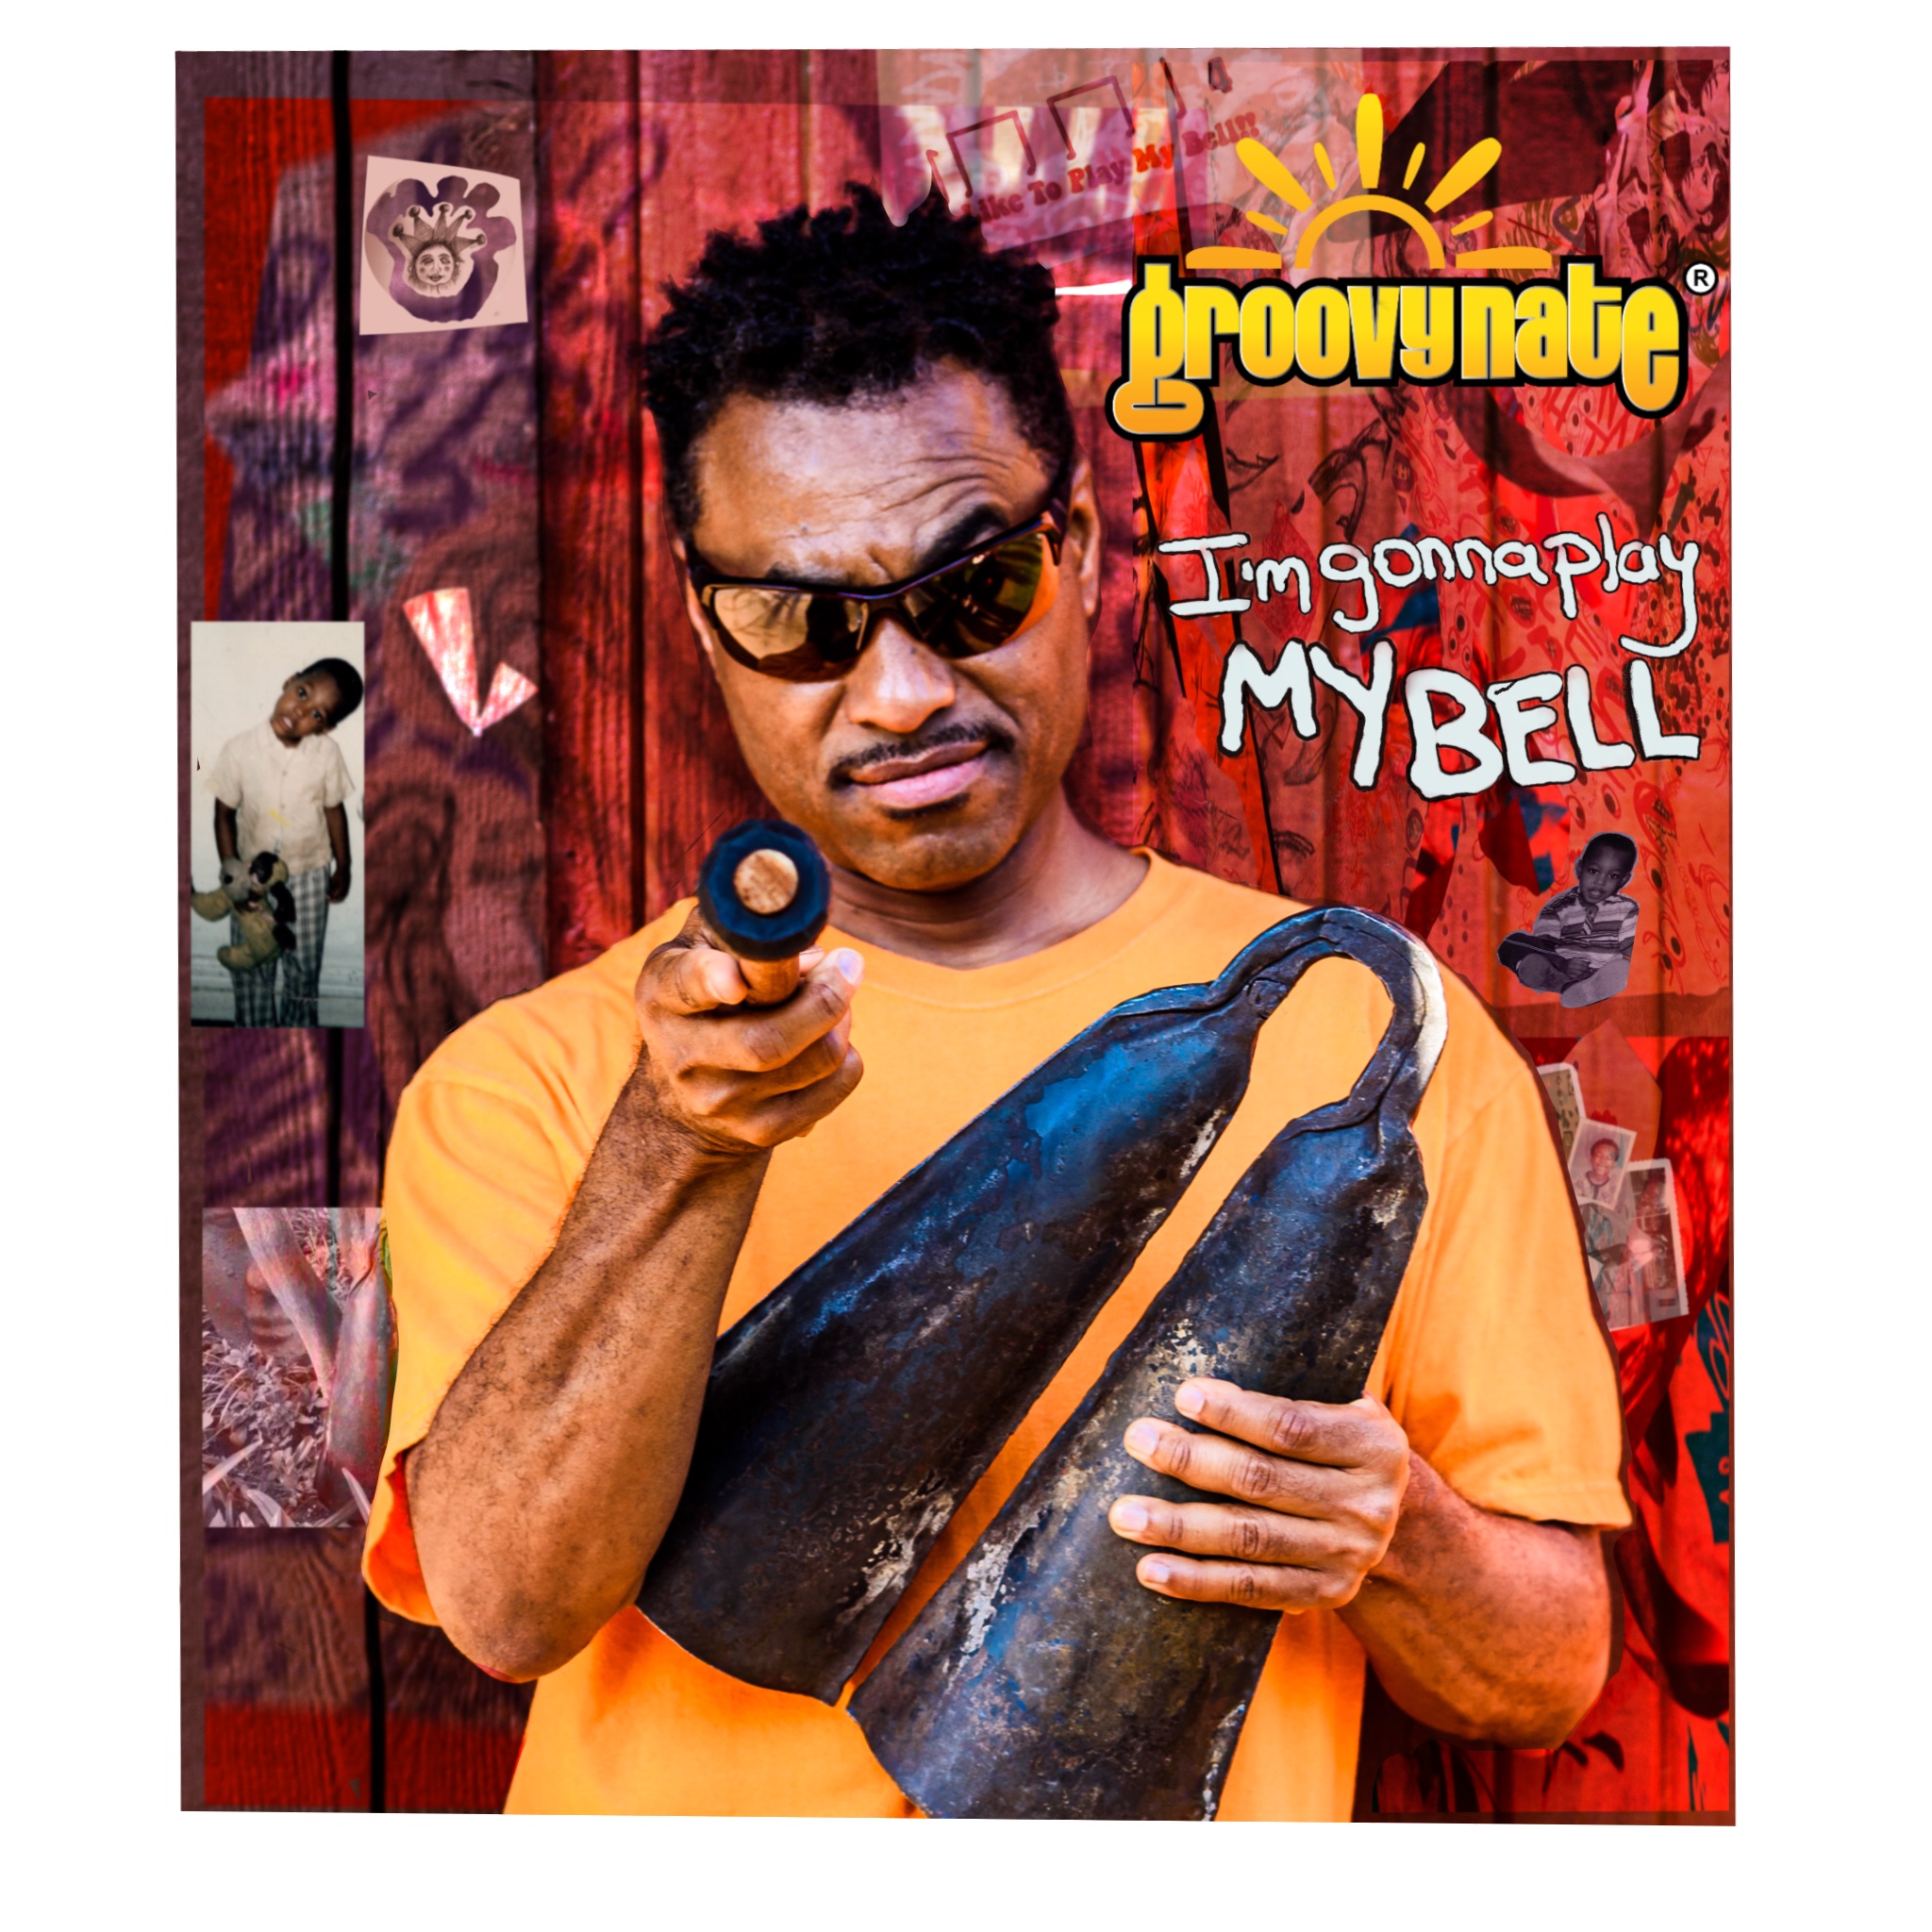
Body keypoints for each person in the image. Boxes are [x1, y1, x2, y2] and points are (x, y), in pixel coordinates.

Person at [364, 187, 1631, 1819]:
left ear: (1079, 546)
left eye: (972, 591)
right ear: (701, 615)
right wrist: (676, 1150)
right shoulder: (529, 1084)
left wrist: (1399, 1537)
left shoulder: (1379, 1042)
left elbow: (1546, 1670)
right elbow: (508, 1605)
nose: (902, 693)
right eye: (804, 621)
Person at [208, 658, 360, 1026]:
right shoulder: (239, 749)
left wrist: (345, 865)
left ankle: (300, 1039)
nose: (300, 711)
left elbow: (334, 810)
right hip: (251, 880)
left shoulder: (328, 755)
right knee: (252, 965)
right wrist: (233, 878)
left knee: (303, 969)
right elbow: (223, 814)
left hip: (309, 875)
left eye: (317, 714)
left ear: (326, 728)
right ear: (290, 681)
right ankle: (254, 1039)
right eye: (302, 693)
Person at [1497, 832, 1640, 1008]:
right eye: (1593, 871)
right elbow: (1544, 946)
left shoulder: (1626, 909)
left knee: (1625, 966)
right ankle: (1567, 987)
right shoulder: (1559, 907)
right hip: (1560, 969)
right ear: (1580, 869)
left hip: (1600, 975)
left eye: (1613, 876)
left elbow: (1631, 951)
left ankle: (1586, 990)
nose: (1600, 882)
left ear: (1624, 880)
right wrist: (1562, 963)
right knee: (1513, 942)